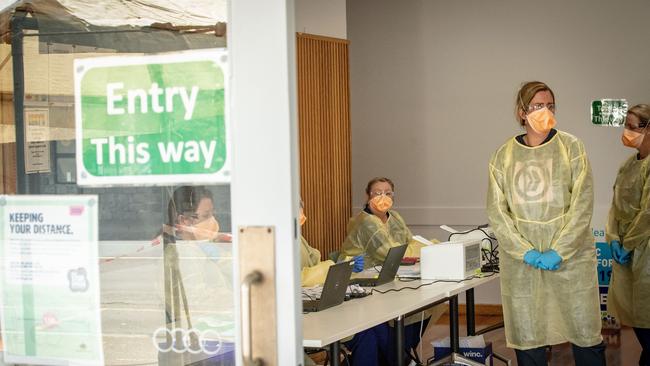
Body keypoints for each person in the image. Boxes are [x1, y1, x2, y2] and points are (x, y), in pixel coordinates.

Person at [487, 81, 605, 365]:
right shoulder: (503, 155)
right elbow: (497, 211)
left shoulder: (571, 147)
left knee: (584, 331)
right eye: (538, 106)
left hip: (570, 259)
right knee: (528, 334)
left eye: (550, 106)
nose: (546, 111)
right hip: (523, 264)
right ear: (521, 112)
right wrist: (523, 250)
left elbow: (582, 204)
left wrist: (560, 249)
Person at [340, 177, 443, 364]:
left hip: (389, 279)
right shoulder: (365, 222)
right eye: (377, 193)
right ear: (367, 196)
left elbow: (409, 242)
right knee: (382, 321)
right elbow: (391, 253)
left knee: (429, 305)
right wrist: (428, 248)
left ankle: (401, 352)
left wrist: (425, 247)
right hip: (362, 283)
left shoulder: (394, 217)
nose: (383, 197)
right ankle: (399, 355)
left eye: (388, 193)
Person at [606, 103, 650, 366]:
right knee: (636, 316)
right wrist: (612, 237)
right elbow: (615, 205)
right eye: (626, 125)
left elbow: (647, 213)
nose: (627, 132)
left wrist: (631, 243)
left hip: (645, 251)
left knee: (647, 315)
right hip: (627, 251)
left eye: (633, 127)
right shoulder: (628, 164)